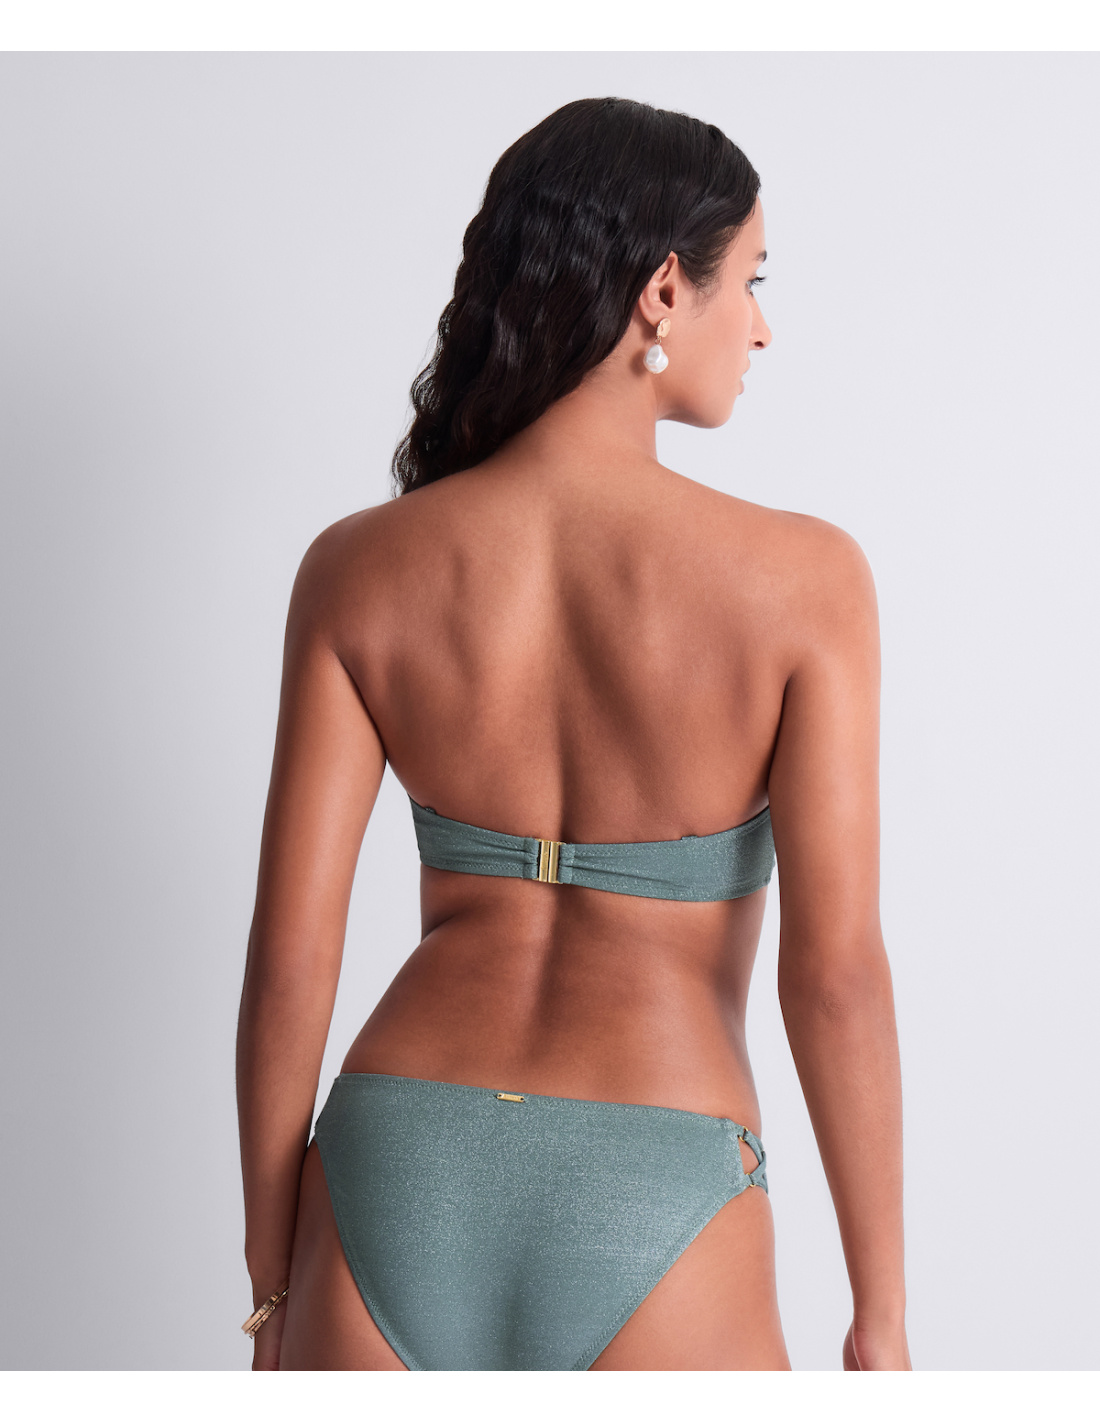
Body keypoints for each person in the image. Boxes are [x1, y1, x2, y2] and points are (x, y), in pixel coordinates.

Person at [236, 96, 910, 1372]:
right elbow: (833, 977)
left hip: (393, 1164)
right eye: (749, 281)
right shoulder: (803, 582)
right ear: (662, 291)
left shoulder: (357, 568)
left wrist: (272, 1284)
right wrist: (880, 1311)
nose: (760, 325)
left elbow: (289, 958)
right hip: (657, 1168)